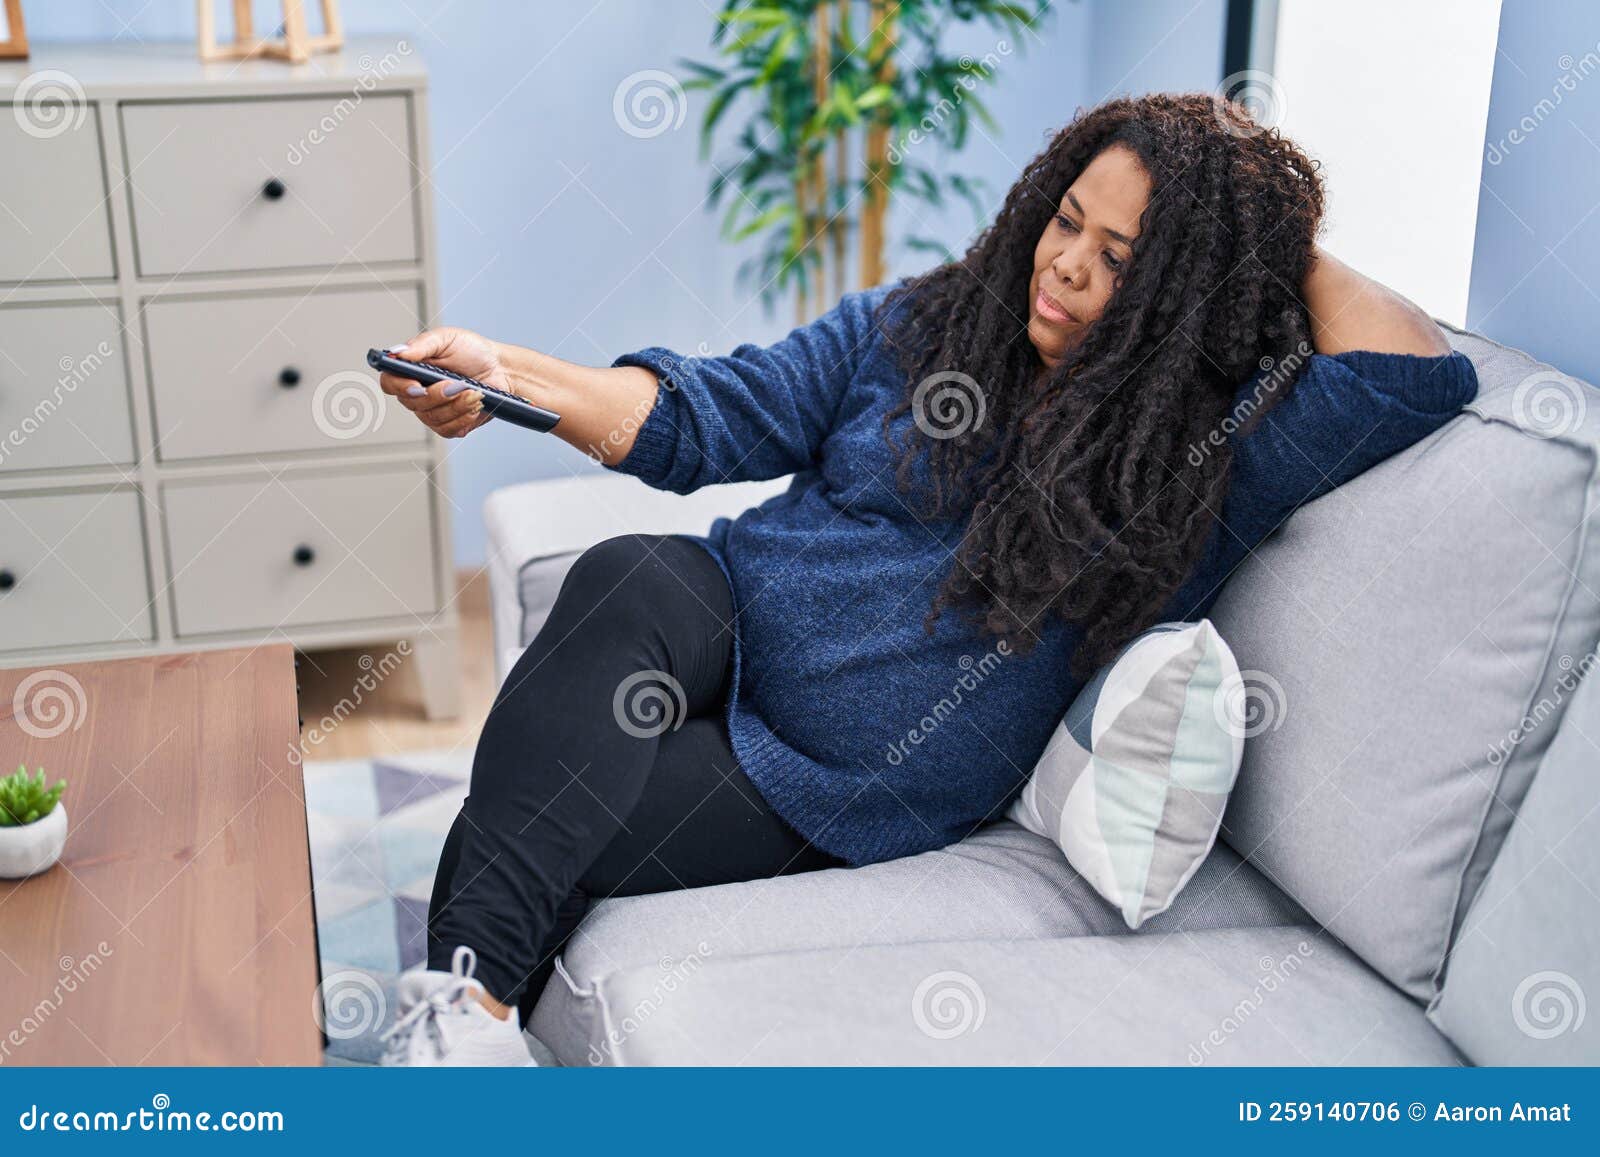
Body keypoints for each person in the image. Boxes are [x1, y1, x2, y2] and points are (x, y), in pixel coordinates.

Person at [374, 93, 1478, 1065]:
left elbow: (1418, 372)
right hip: (722, 614)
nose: (1066, 265)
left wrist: (1251, 218)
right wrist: (503, 372)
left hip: (831, 779)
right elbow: (707, 412)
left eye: (1123, 259)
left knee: (510, 829)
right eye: (1066, 221)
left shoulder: (1212, 449)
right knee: (626, 574)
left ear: (1185, 289)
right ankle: (465, 1026)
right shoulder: (927, 320)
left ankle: (460, 1013)